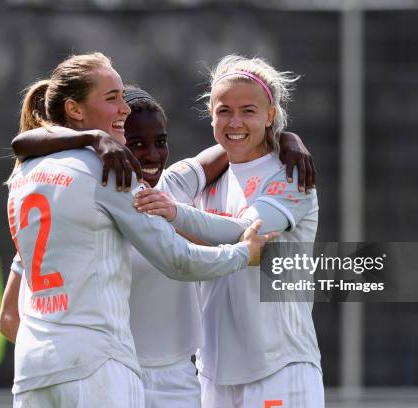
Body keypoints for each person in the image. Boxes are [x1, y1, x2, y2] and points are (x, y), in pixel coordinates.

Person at [0, 82, 314, 407]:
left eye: (160, 142)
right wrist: (63, 355)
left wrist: (286, 139)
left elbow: (236, 141)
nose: (152, 155)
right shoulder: (78, 211)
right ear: (112, 143)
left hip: (177, 382)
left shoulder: (172, 185)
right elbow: (9, 317)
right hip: (109, 372)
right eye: (135, 143)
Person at [133, 55, 324, 407]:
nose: (235, 121)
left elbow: (243, 233)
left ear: (270, 115)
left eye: (249, 110)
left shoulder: (292, 174)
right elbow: (172, 184)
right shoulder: (207, 174)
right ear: (210, 113)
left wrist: (175, 214)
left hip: (280, 368)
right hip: (212, 373)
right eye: (224, 111)